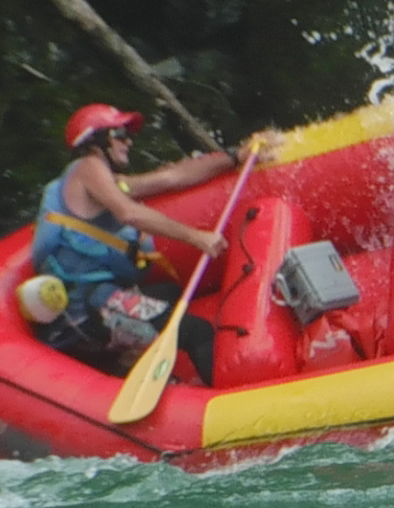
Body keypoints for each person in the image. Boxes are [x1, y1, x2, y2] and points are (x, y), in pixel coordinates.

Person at [29, 103, 250, 382]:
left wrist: (234, 156)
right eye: (120, 135)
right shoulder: (87, 167)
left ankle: (125, 361)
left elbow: (171, 178)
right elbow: (129, 213)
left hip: (97, 298)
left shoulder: (106, 181)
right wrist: (196, 237)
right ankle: (230, 392)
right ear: (96, 141)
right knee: (199, 332)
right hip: (88, 309)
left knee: (169, 291)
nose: (128, 142)